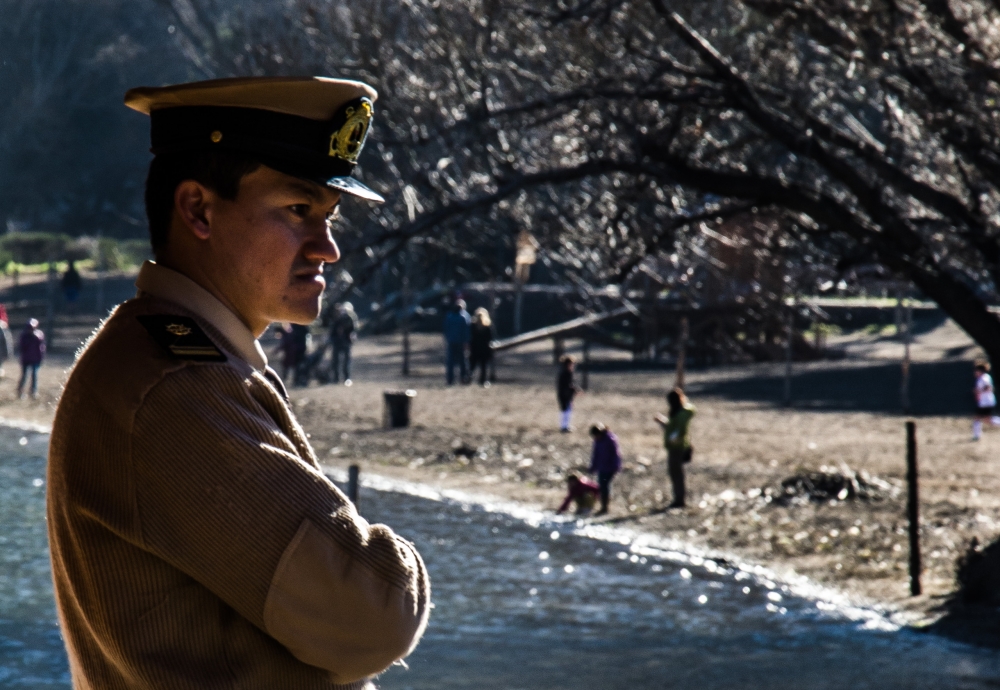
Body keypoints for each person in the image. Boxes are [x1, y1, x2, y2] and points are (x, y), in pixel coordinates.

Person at [46, 76, 429, 690]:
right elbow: (374, 613)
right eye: (298, 210)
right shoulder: (174, 389)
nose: (327, 248)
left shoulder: (174, 361)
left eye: (330, 218)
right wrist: (400, 557)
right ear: (198, 209)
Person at [655, 387, 696, 508]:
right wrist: (661, 421)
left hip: (678, 447)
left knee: (676, 474)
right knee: (675, 473)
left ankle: (679, 499)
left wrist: (673, 438)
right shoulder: (677, 412)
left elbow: (679, 430)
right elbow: (671, 427)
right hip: (675, 447)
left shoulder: (682, 414)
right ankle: (678, 498)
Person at [588, 423, 622, 516]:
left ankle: (605, 507)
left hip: (610, 467)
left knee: (605, 486)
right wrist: (593, 466)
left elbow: (616, 454)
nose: (595, 437)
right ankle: (603, 506)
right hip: (601, 467)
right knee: (602, 486)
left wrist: (616, 466)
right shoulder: (597, 441)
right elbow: (595, 455)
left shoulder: (610, 439)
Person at [330, 301, 358, 384]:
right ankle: (336, 378)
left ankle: (347, 378)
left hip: (346, 342)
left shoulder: (350, 319)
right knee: (336, 361)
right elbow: (333, 332)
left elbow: (353, 330)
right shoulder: (336, 320)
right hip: (337, 342)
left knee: (346, 361)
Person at [443, 299, 471, 385]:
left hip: (451, 341)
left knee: (450, 361)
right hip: (461, 342)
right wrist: (467, 342)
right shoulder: (464, 317)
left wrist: (447, 338)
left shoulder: (449, 316)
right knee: (462, 361)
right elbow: (466, 330)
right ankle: (463, 378)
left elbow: (446, 329)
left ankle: (450, 379)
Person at [16, 318, 45, 399]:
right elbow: (22, 347)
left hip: (35, 359)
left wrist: (41, 357)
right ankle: (20, 391)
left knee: (34, 375)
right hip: (26, 359)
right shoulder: (24, 336)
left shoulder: (39, 335)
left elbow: (41, 348)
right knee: (24, 375)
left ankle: (33, 392)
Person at [973, 360, 1000, 440]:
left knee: (980, 418)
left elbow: (989, 388)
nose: (975, 372)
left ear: (980, 371)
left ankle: (976, 436)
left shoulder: (984, 378)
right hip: (985, 402)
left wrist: (979, 391)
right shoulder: (984, 377)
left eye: (976, 370)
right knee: (986, 419)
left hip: (986, 402)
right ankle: (977, 436)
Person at [469, 306, 494, 387]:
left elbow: (470, 337)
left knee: (472, 365)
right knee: (483, 366)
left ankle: (468, 378)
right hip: (484, 349)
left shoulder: (473, 326)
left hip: (474, 349)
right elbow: (490, 338)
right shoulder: (487, 327)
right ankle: (482, 381)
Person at [557, 355, 580, 432]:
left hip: (566, 395)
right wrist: (576, 390)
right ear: (567, 364)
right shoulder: (566, 374)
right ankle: (564, 426)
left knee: (567, 410)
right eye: (572, 364)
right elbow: (568, 385)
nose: (573, 366)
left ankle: (565, 425)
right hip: (565, 395)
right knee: (566, 410)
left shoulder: (565, 373)